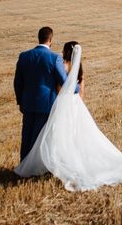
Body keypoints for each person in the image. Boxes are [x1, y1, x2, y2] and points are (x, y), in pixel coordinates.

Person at [15, 42, 122, 191]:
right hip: (74, 104)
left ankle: (36, 165)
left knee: (48, 136)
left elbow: (61, 86)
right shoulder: (77, 68)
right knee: (72, 137)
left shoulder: (62, 65)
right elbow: (80, 92)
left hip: (61, 104)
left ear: (66, 51)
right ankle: (57, 164)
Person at [14, 26, 78, 161]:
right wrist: (77, 87)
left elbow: (17, 82)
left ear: (39, 38)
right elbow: (64, 82)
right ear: (51, 40)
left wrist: (20, 101)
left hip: (27, 103)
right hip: (46, 104)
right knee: (40, 138)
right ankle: (36, 167)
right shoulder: (54, 58)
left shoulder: (24, 56)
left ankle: (24, 165)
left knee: (26, 136)